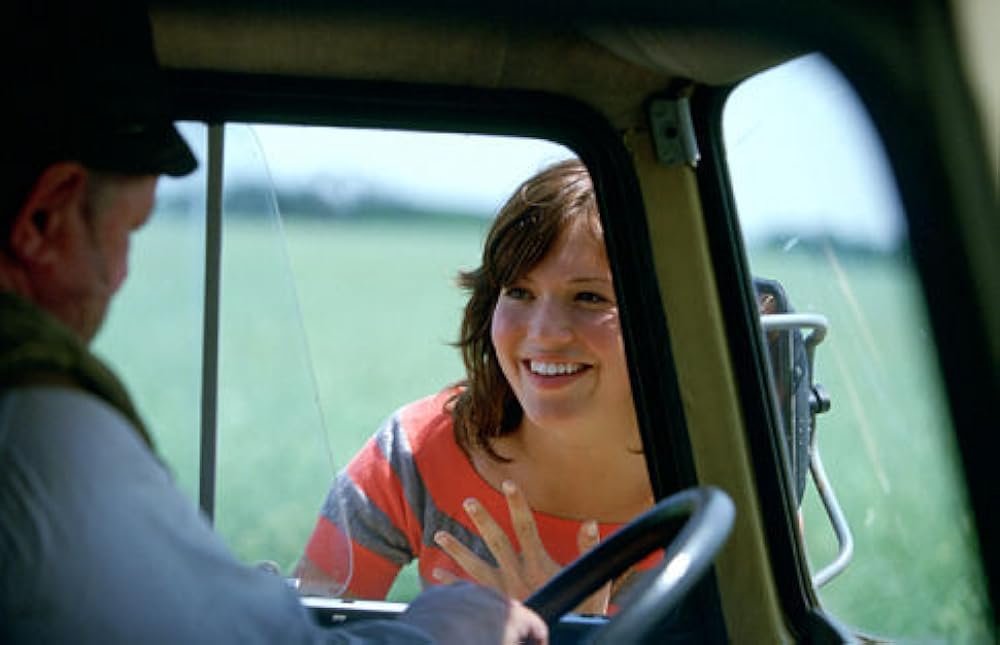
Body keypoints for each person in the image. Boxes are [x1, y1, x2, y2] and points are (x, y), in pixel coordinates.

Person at [0, 2, 548, 643]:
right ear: (45, 220)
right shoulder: (43, 434)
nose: (120, 276)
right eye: (127, 233)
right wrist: (453, 628)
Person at [296, 159, 658, 613]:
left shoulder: (731, 474)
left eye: (589, 297)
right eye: (520, 293)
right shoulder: (415, 451)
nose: (544, 332)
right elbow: (303, 629)